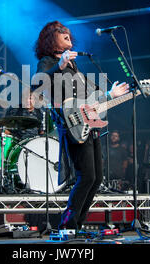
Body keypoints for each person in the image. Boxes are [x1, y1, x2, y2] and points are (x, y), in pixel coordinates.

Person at [35, 20, 129, 230]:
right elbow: (37, 83)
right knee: (86, 176)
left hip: (88, 123)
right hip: (72, 125)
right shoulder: (47, 61)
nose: (68, 35)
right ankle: (67, 223)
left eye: (68, 33)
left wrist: (109, 95)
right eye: (62, 33)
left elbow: (87, 94)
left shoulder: (73, 64)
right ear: (52, 39)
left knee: (96, 179)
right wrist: (60, 65)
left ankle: (77, 222)